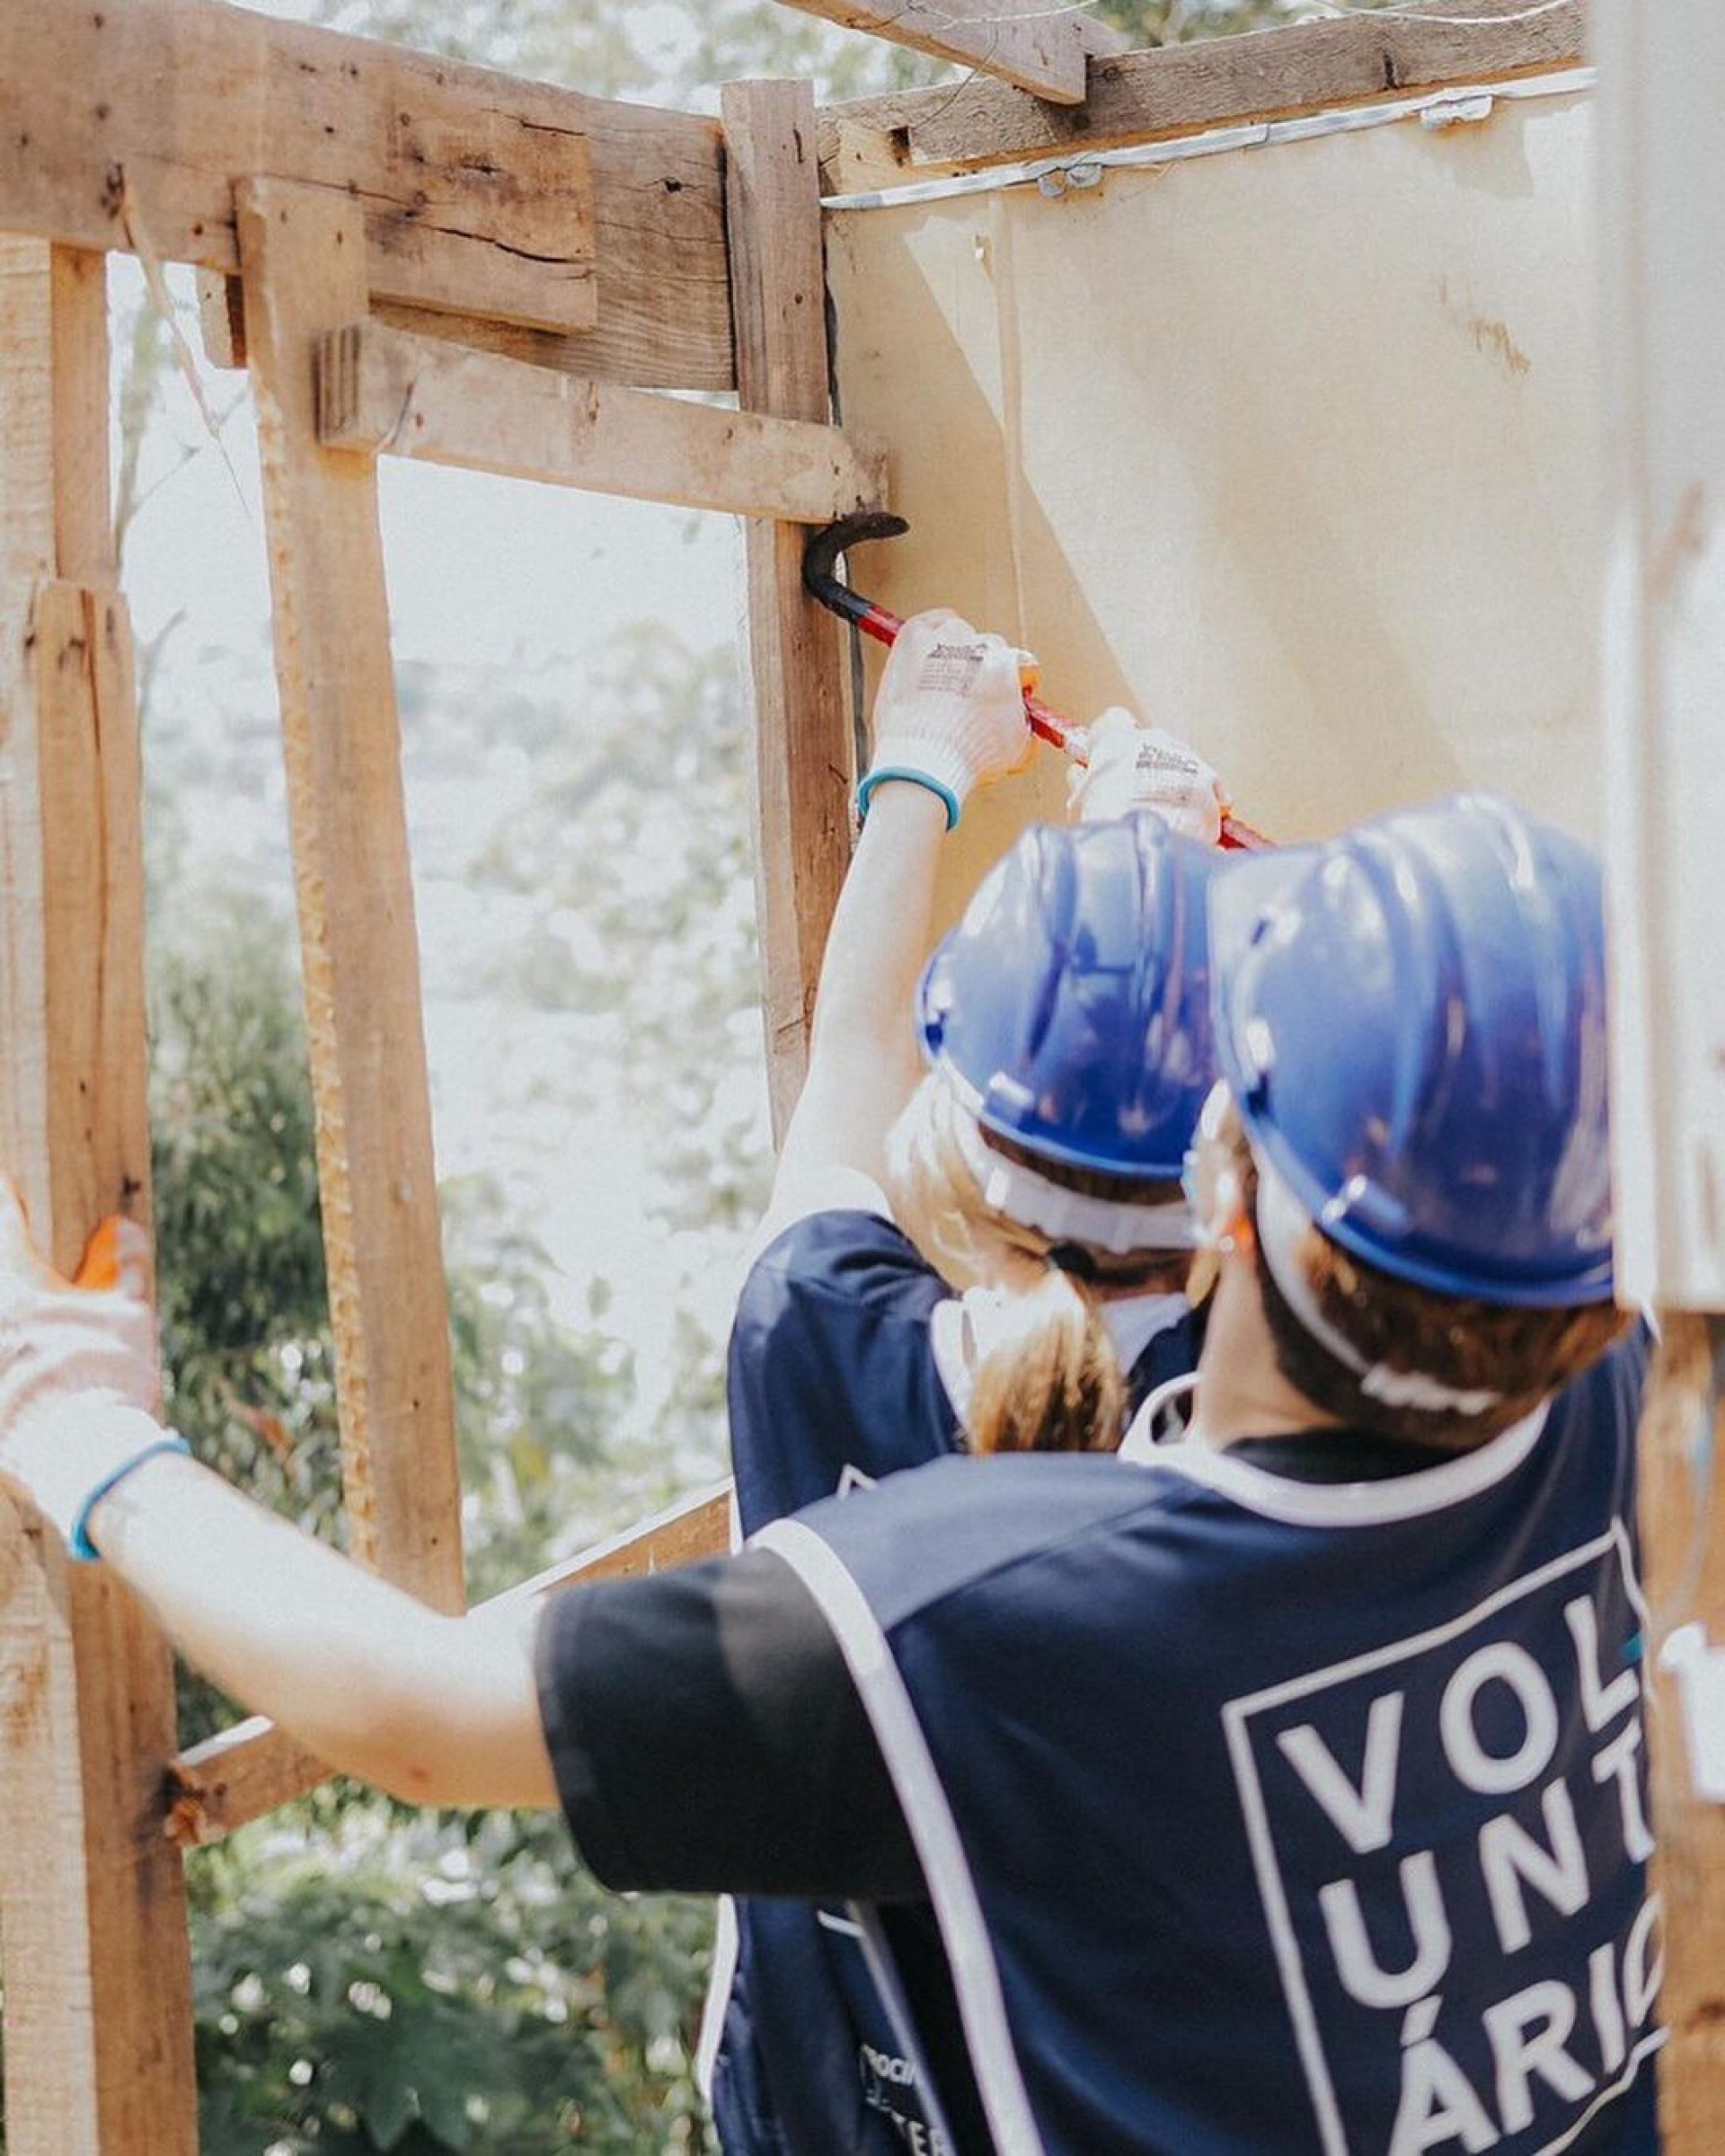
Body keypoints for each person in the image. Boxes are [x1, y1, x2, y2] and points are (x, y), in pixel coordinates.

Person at [0, 787, 1652, 2155]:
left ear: (1226, 1189)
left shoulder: (975, 1624)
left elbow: (419, 1718)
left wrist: (76, 1427)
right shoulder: (1627, 1414)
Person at [709, 614, 1234, 2152]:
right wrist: (1160, 901)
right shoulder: (1253, 1413)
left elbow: (857, 1051)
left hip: (814, 2103)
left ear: (964, 1137)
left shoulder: (809, 1331)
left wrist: (926, 760)